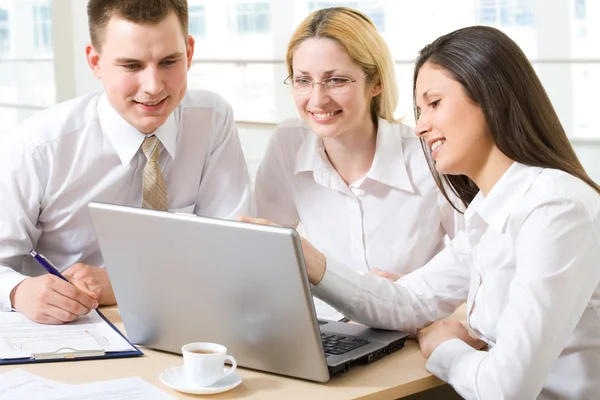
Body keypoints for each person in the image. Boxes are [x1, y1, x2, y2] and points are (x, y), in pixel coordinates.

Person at [247, 26, 600, 399]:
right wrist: (314, 264)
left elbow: (505, 389)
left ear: (490, 98)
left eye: (434, 104)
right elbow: (407, 301)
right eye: (419, 109)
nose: (419, 126)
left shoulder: (556, 210)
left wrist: (443, 346)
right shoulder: (489, 210)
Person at [0, 0, 251, 325]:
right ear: (95, 62)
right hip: (73, 335)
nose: (153, 87)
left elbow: (234, 251)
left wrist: (121, 283)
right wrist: (18, 291)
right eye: (131, 66)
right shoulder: (39, 147)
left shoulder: (212, 120)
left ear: (188, 53)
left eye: (168, 61)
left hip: (187, 321)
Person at [252, 7, 462, 282]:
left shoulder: (428, 155)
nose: (317, 100)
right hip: (322, 322)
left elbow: (479, 272)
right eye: (303, 80)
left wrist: (413, 298)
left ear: (376, 82)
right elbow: (262, 254)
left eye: (336, 80)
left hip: (411, 323)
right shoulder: (288, 143)